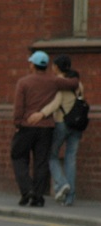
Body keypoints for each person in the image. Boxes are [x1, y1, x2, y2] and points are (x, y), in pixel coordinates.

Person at [11, 50, 78, 207]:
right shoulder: (54, 81)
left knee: (18, 157)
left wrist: (17, 123)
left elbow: (18, 106)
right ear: (46, 66)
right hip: (46, 128)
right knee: (41, 162)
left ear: (33, 65)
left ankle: (27, 190)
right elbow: (73, 83)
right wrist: (74, 74)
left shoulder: (24, 82)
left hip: (27, 126)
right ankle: (38, 196)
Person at [27, 55, 83, 206]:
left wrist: (41, 114)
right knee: (71, 159)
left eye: (53, 66)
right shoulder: (78, 83)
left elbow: (55, 103)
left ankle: (62, 183)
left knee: (51, 156)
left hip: (62, 123)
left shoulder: (60, 84)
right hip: (77, 125)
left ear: (57, 67)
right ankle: (70, 197)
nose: (52, 68)